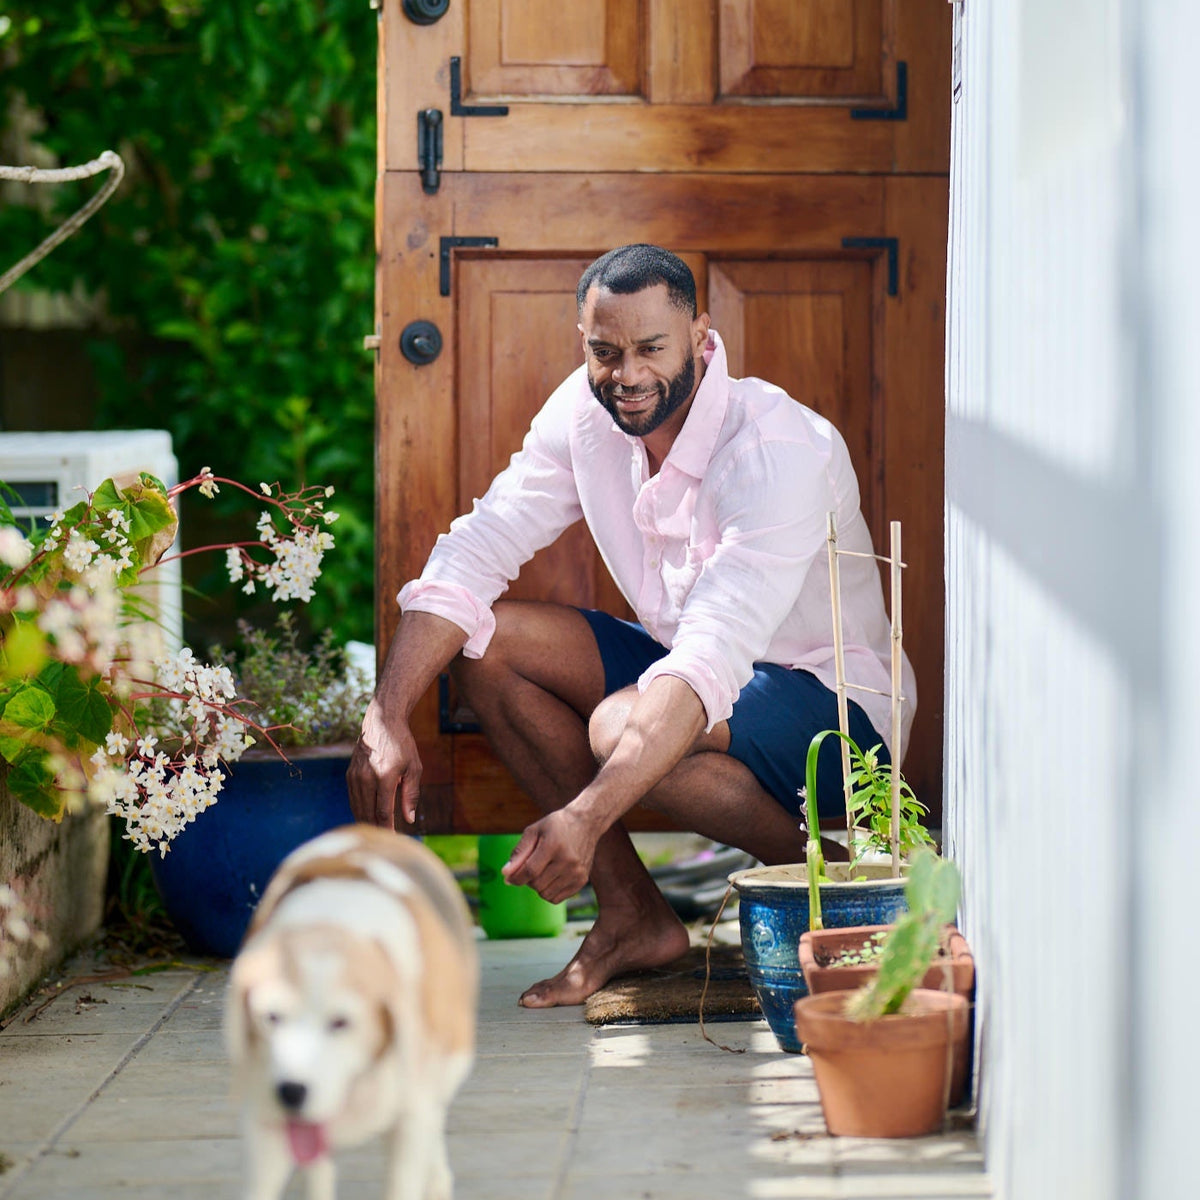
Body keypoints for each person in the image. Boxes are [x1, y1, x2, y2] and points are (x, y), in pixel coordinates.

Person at [348, 244, 915, 1009]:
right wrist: (386, 715)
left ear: (701, 338)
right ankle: (632, 917)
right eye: (605, 351)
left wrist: (583, 817)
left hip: (836, 715)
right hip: (698, 672)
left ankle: (834, 882)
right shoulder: (587, 414)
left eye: (652, 348)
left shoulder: (777, 449)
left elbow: (711, 656)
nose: (629, 374)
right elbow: (479, 545)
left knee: (623, 726)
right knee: (484, 646)